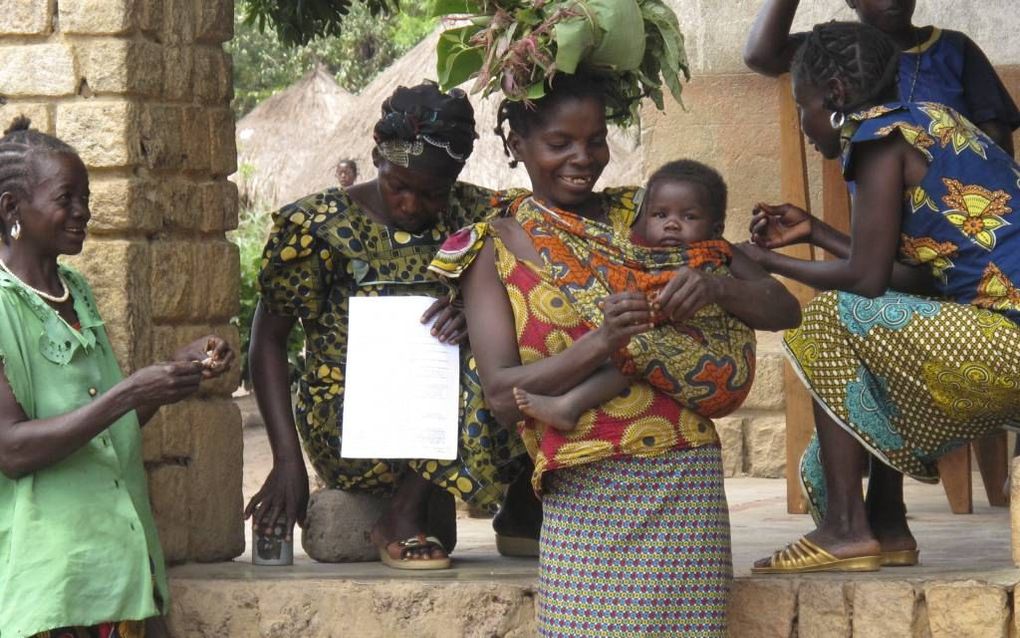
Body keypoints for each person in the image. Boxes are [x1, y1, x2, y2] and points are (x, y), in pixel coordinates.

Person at [430, 72, 801, 636]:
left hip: (682, 478)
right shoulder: (491, 247)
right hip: (582, 488)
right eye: (560, 143)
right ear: (517, 145)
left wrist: (716, 286)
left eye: (596, 140)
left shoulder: (649, 214)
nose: (583, 158)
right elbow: (505, 395)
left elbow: (782, 308)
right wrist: (601, 341)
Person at [743, 22, 1020, 574]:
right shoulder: (932, 122)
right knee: (829, 453)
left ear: (837, 96)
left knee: (821, 318)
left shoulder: (877, 140)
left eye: (805, 107)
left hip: (1006, 347)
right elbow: (908, 276)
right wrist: (815, 232)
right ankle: (887, 526)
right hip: (1000, 343)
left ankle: (846, 530)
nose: (805, 125)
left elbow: (867, 280)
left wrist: (761, 260)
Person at [245, 82, 531, 571]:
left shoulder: (483, 216)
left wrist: (481, 315)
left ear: (456, 179)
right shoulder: (317, 226)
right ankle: (401, 513)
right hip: (357, 429)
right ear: (376, 156)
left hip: (462, 417)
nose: (411, 205)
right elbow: (266, 342)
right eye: (398, 185)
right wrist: (287, 459)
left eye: (432, 193)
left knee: (512, 343)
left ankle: (522, 502)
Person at [0, 117, 234, 637]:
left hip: (118, 565)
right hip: (50, 579)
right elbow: (11, 450)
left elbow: (104, 428)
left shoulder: (75, 292)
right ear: (12, 209)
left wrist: (175, 371)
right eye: (67, 198)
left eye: (85, 197)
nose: (83, 212)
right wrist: (129, 391)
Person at [512, 159, 758, 432]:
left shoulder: (704, 260)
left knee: (632, 342)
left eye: (688, 216)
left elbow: (657, 305)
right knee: (632, 346)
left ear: (716, 230)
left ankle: (569, 406)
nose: (672, 225)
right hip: (703, 370)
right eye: (660, 215)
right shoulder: (653, 258)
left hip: (722, 371)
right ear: (645, 217)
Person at [743, 0, 1020, 156]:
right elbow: (761, 55)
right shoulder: (833, 53)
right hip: (883, 221)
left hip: (966, 213)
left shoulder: (954, 49)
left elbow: (998, 141)